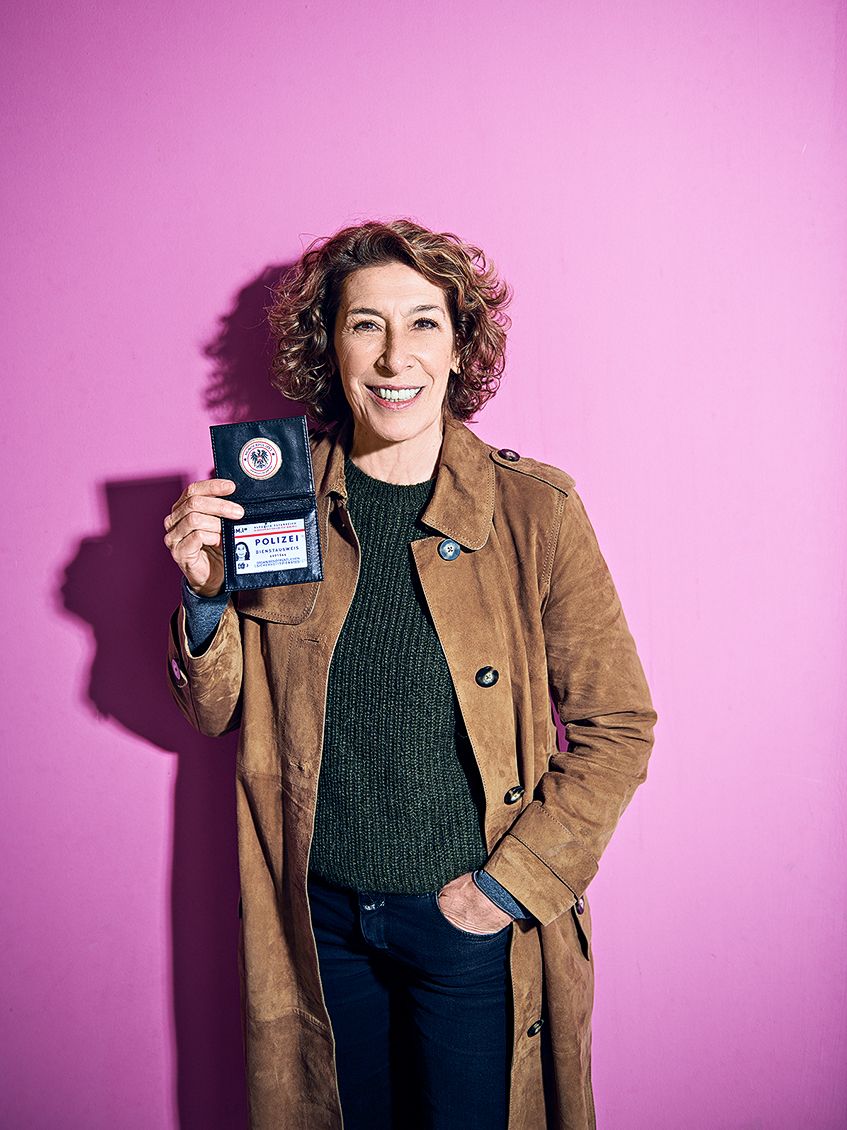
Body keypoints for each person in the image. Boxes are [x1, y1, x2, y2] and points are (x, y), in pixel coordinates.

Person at [163, 218, 657, 1130]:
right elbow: (217, 713)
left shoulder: (534, 510)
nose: (396, 356)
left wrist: (502, 892)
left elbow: (617, 723)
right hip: (316, 929)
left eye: (424, 322)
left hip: (468, 927)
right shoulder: (271, 495)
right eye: (365, 325)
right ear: (330, 345)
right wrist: (203, 598)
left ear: (460, 344)